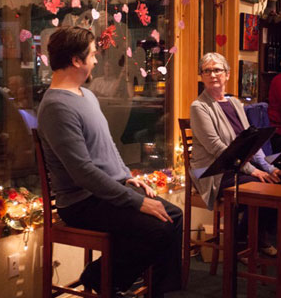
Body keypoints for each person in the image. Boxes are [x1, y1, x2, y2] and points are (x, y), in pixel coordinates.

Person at [37, 26, 182, 297]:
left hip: (104, 191)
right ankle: (102, 277)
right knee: (161, 228)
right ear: (76, 60)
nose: (95, 60)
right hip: (81, 202)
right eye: (92, 55)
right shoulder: (56, 107)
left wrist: (128, 175)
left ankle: (132, 283)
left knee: (174, 216)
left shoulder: (86, 95)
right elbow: (83, 173)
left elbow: (107, 146)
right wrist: (137, 201)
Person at [190, 52, 281, 257]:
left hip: (238, 166)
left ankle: (251, 239)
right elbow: (218, 149)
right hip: (214, 172)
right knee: (264, 187)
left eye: (217, 70)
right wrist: (254, 171)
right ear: (201, 76)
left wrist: (270, 168)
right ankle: (242, 243)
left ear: (227, 74)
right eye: (207, 71)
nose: (212, 75)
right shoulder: (199, 107)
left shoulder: (235, 103)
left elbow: (251, 142)